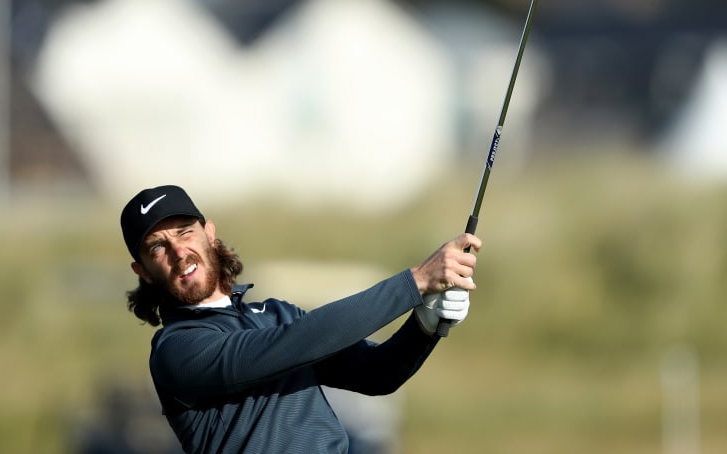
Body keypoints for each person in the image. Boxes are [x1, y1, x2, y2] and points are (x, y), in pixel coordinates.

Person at [120, 184, 479, 454]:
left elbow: (377, 373)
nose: (179, 252)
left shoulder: (275, 314)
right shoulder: (176, 350)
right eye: (157, 247)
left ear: (209, 234)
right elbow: (298, 341)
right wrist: (415, 282)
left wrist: (424, 326)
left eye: (185, 231)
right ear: (144, 272)